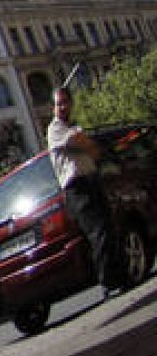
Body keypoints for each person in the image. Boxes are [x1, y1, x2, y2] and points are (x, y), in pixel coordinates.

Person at [46, 87, 119, 295]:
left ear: (71, 104)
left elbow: (93, 151)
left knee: (108, 227)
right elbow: (83, 143)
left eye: (65, 103)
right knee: (99, 231)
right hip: (77, 189)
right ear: (53, 107)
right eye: (58, 104)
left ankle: (118, 275)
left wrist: (87, 144)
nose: (62, 107)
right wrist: (85, 143)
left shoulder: (73, 126)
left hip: (91, 182)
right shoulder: (55, 129)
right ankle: (108, 282)